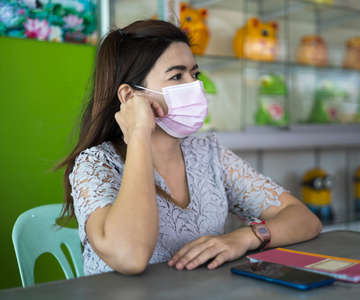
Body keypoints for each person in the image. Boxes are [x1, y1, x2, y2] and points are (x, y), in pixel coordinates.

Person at [55, 19, 322, 276]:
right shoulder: (96, 164)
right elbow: (130, 258)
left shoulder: (207, 152)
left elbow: (304, 220)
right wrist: (138, 135)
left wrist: (247, 237)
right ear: (129, 96)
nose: (194, 86)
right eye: (176, 76)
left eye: (195, 74)